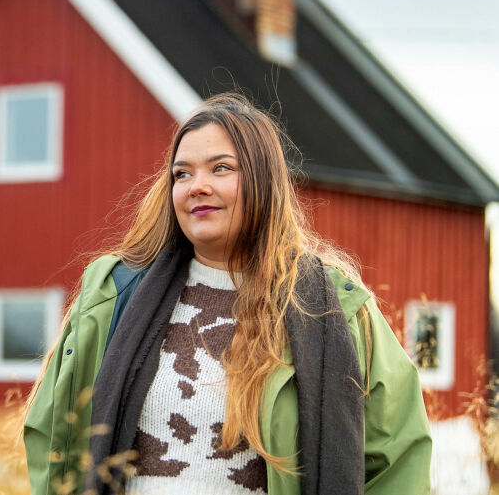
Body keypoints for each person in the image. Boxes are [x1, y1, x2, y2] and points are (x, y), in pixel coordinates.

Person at [22, 92, 431, 495]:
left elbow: (396, 462)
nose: (196, 186)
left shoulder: (334, 310)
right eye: (182, 174)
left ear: (263, 180)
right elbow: (54, 434)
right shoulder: (113, 295)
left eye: (220, 168)